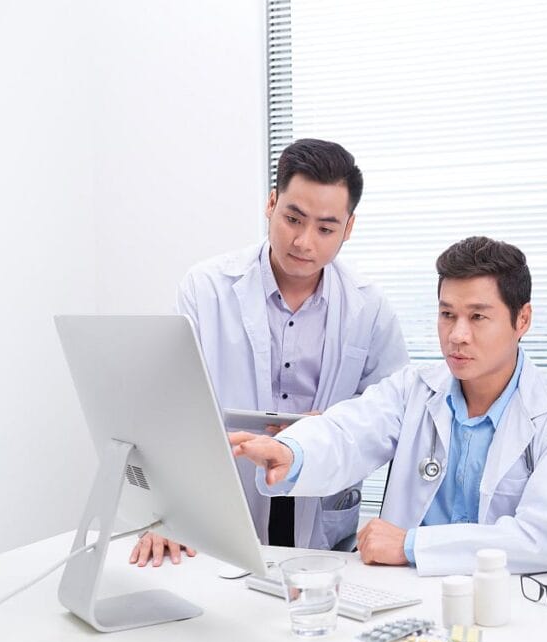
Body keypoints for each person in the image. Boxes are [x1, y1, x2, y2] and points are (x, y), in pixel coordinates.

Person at [231, 236, 547, 576]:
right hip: (406, 594)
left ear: (523, 320)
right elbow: (349, 430)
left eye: (478, 317)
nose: (457, 335)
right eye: (448, 314)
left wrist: (411, 544)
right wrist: (291, 451)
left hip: (505, 601)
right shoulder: (414, 389)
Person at [130, 138, 408, 567]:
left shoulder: (369, 307)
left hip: (318, 508)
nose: (303, 241)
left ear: (349, 228)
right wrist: (163, 516)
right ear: (271, 203)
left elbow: (389, 416)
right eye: (293, 218)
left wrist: (331, 428)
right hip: (223, 494)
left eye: (326, 228)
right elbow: (169, 408)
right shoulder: (206, 288)